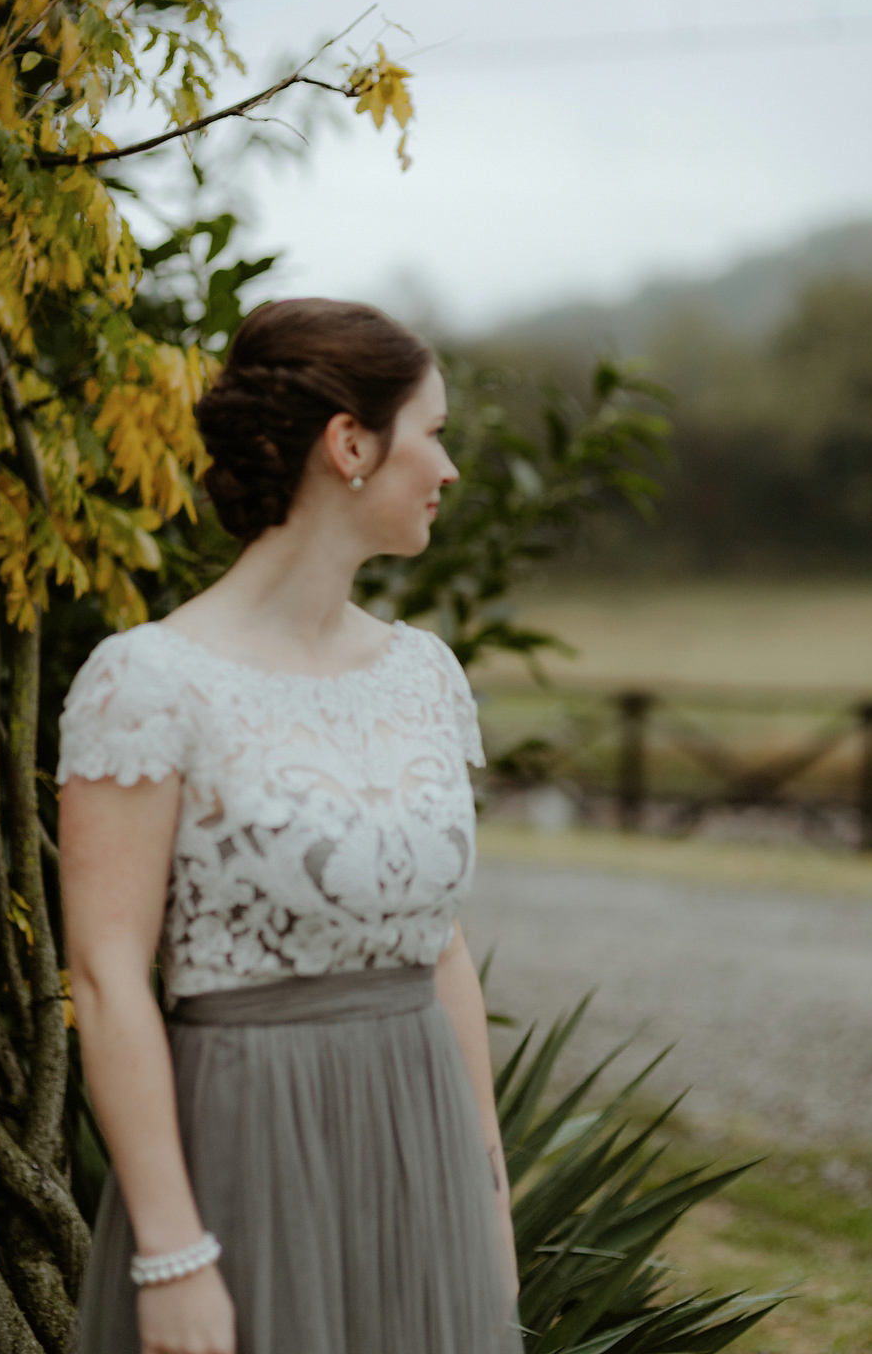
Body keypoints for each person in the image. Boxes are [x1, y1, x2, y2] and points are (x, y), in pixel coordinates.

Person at [58, 297, 522, 1354]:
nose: (448, 470)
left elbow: (441, 943)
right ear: (350, 443)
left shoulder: (424, 675)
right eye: (433, 432)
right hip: (248, 1153)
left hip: (426, 1147)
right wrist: (173, 1256)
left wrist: (487, 1189)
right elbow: (104, 976)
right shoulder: (147, 683)